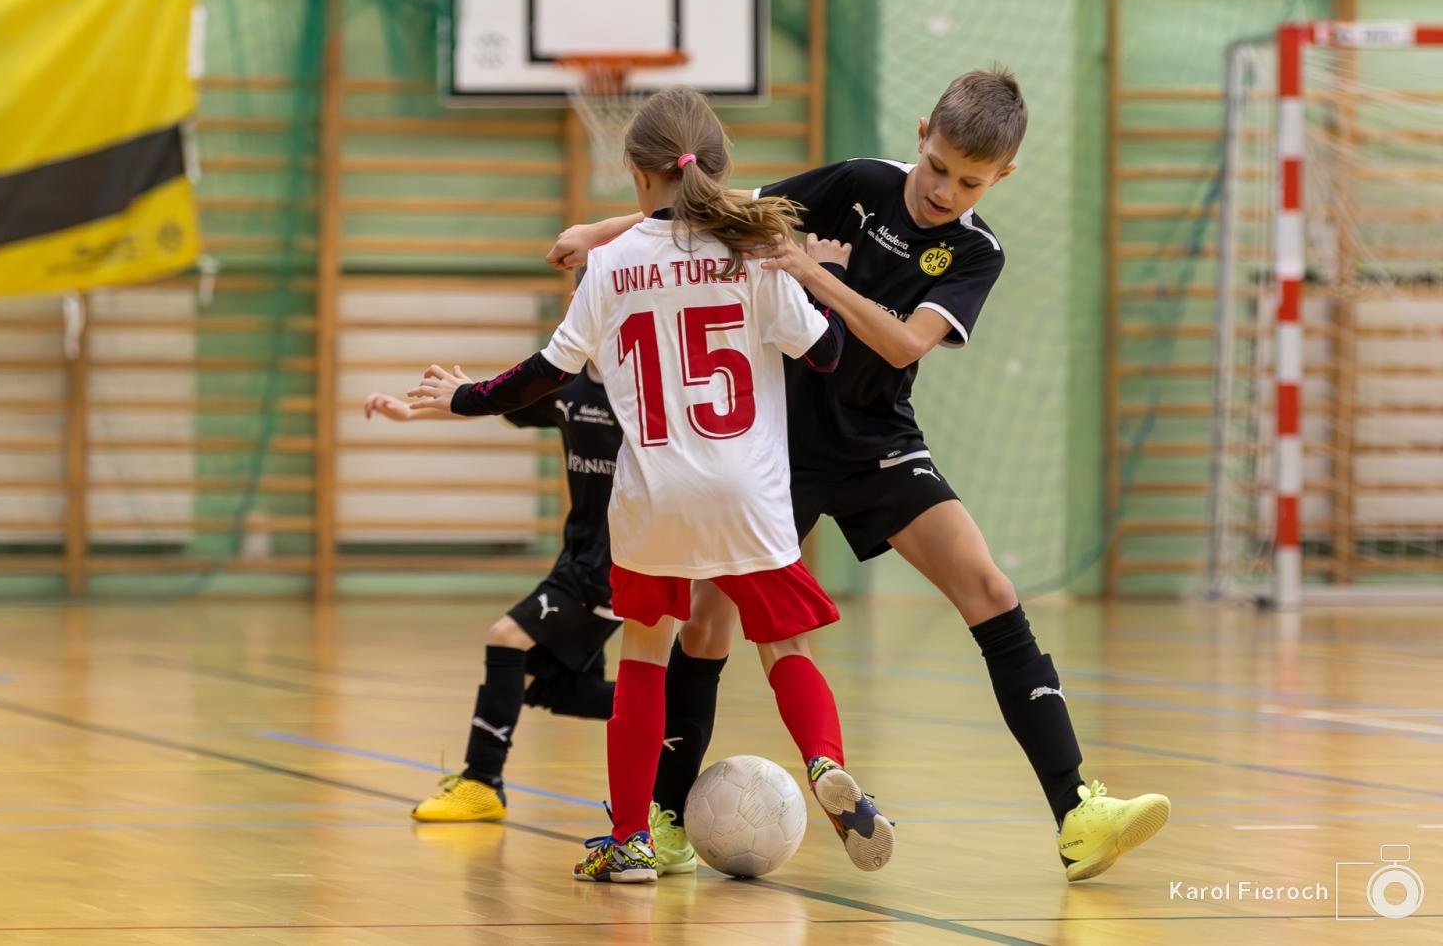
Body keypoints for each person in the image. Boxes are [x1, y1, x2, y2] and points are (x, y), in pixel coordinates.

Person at [545, 67, 1170, 884]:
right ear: (922, 134)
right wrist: (604, 229)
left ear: (1002, 178)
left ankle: (1077, 810)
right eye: (939, 165)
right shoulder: (859, 183)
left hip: (876, 442)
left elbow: (906, 344)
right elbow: (713, 205)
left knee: (989, 589)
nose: (944, 189)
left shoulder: (976, 252)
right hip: (772, 448)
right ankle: (663, 821)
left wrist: (813, 275)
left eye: (969, 181)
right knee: (705, 628)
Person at [408, 87, 893, 884]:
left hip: (655, 500)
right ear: (716, 168)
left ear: (636, 176)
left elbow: (543, 376)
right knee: (784, 647)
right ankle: (825, 765)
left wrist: (463, 398)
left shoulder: (610, 263)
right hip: (749, 492)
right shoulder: (756, 252)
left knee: (644, 658)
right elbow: (830, 356)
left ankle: (631, 839)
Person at [363, 366, 622, 822]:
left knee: (506, 637)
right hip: (576, 556)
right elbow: (496, 400)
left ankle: (482, 782)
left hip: (615, 564)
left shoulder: (642, 391)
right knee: (559, 689)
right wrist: (410, 413)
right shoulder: (567, 385)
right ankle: (676, 710)